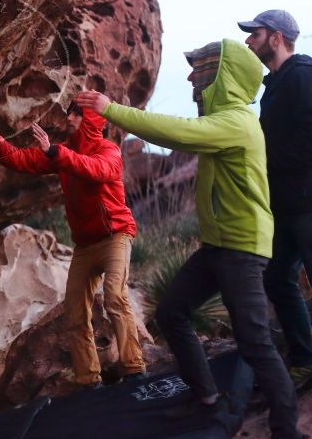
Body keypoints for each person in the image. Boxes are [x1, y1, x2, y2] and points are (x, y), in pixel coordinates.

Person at [75, 39, 303, 439]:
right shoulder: (226, 120)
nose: (192, 80)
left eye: (202, 73)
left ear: (224, 79)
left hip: (243, 248)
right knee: (172, 313)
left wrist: (110, 109)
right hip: (219, 245)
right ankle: (207, 398)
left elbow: (178, 133)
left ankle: (287, 431)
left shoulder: (238, 121)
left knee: (256, 345)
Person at [0, 103, 146, 389]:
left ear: (91, 120)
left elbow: (98, 171)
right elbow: (21, 160)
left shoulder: (108, 150)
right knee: (76, 312)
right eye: (70, 112)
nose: (69, 118)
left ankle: (134, 369)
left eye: (77, 113)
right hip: (85, 245)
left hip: (115, 236)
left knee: (115, 296)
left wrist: (57, 152)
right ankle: (88, 380)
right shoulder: (62, 151)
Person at [239, 10, 312, 389]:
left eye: (256, 34)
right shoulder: (275, 84)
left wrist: (268, 163)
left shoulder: (303, 75)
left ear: (278, 37)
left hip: (306, 201)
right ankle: (304, 359)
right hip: (282, 205)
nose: (250, 41)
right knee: (278, 279)